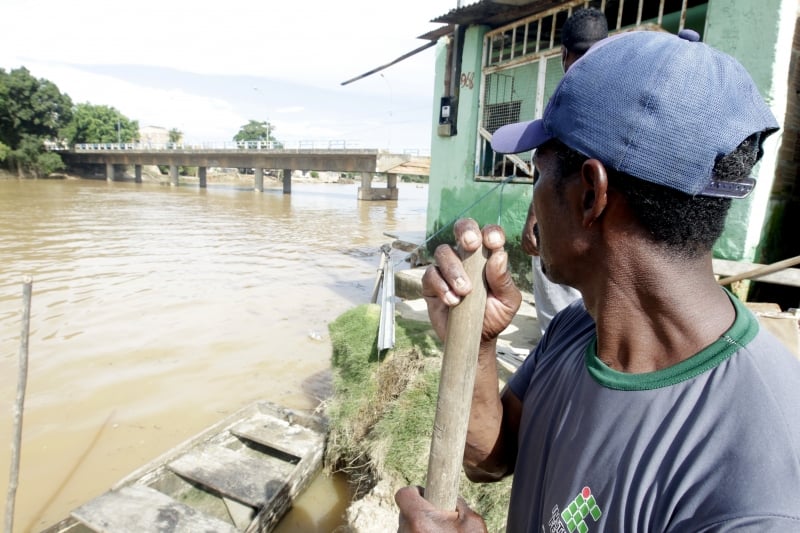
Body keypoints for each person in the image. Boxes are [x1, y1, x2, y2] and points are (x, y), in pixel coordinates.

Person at [396, 30, 800, 531]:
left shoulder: (759, 476)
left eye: (538, 173)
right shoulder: (573, 329)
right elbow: (492, 460)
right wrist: (476, 346)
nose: (533, 202)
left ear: (591, 195)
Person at [525, 7, 608, 336]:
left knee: (558, 324)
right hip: (597, 230)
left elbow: (549, 165)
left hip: (566, 226)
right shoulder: (620, 96)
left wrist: (537, 216)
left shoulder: (567, 97)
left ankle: (553, 371)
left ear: (562, 53)